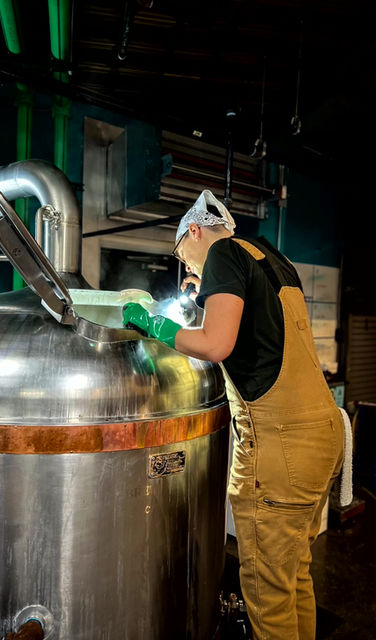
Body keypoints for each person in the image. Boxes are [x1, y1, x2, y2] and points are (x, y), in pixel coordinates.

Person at [122, 189, 347, 640]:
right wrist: (204, 295)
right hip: (324, 433)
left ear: (194, 231)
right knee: (294, 576)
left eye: (183, 256)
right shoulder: (267, 254)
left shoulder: (222, 252)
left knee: (267, 593)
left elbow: (215, 344)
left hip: (282, 447)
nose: (187, 268)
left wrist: (154, 325)